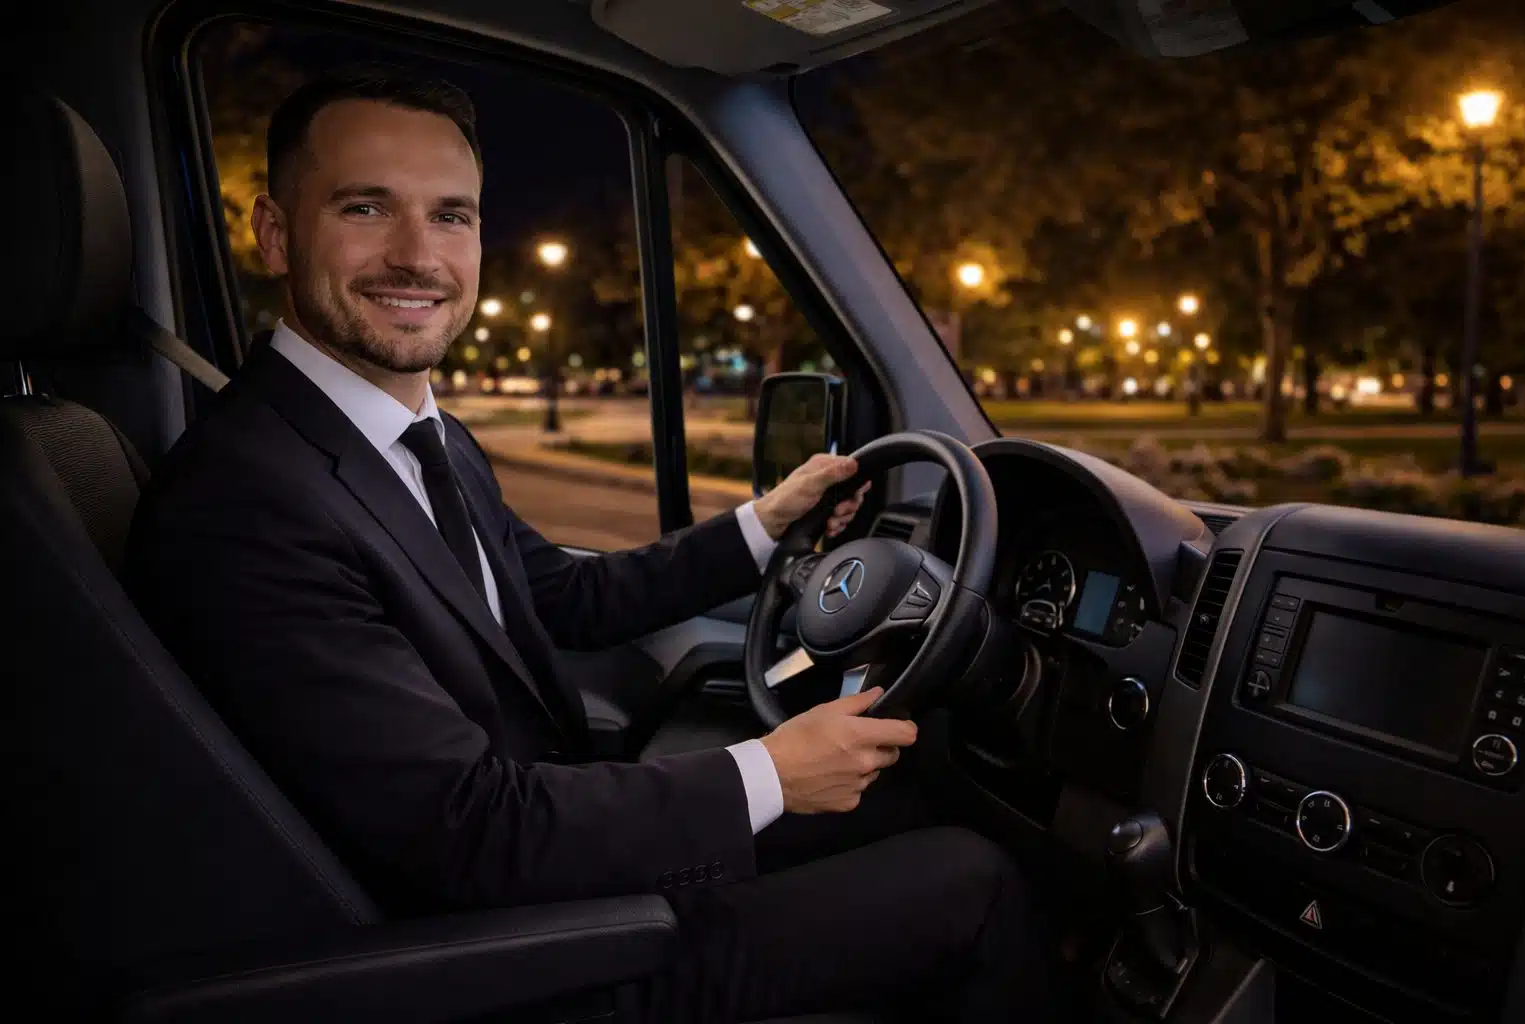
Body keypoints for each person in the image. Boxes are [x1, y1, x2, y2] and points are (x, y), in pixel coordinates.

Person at [125, 65, 1051, 1023]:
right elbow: (465, 835)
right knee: (971, 878)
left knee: (902, 805)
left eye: (452, 215)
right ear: (275, 232)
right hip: (497, 959)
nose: (417, 256)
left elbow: (560, 595)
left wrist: (763, 524)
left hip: (548, 863)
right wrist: (772, 771)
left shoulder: (414, 436)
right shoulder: (246, 502)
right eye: (366, 208)